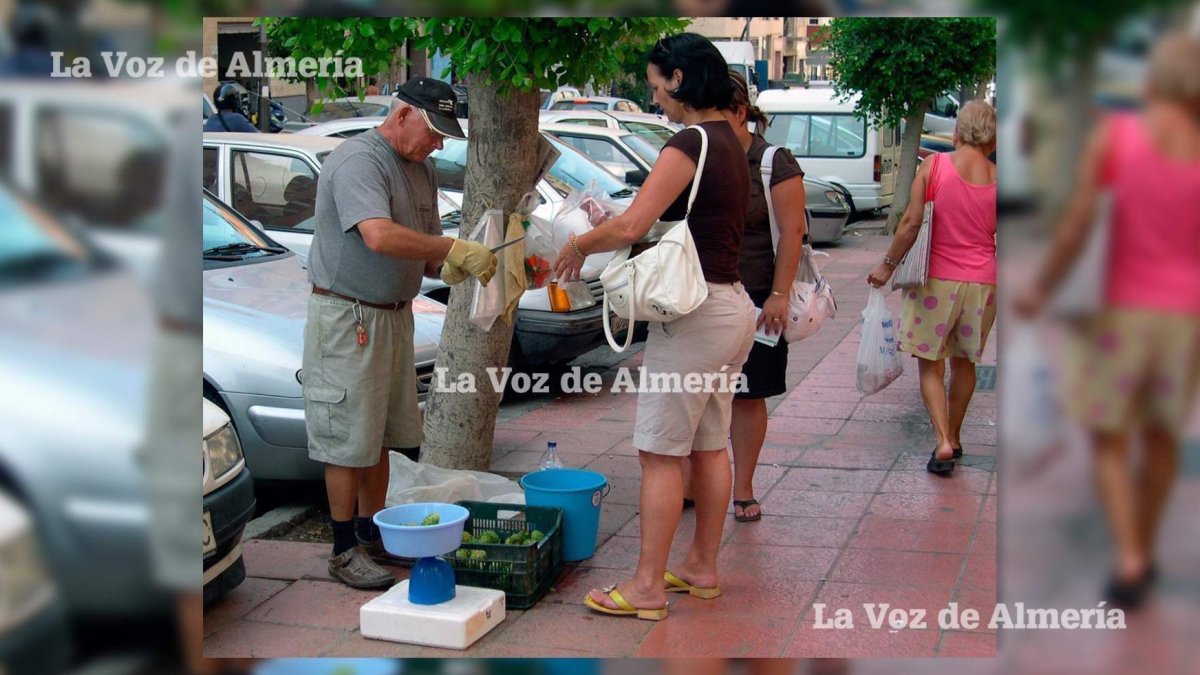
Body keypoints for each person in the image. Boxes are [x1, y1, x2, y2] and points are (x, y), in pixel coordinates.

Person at [551, 32, 755, 620]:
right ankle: (701, 567)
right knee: (710, 447)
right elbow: (667, 221)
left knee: (660, 455)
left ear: (680, 79)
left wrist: (580, 241)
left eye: (656, 86)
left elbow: (633, 224)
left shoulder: (690, 139)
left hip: (695, 319)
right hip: (729, 308)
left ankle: (645, 588)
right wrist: (614, 219)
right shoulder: (729, 141)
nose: (655, 98)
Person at [1014, 32, 1200, 608]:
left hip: (1120, 313)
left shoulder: (1118, 136)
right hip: (1187, 320)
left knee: (1110, 436)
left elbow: (1077, 225)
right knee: (1164, 433)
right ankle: (1144, 540)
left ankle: (1130, 555)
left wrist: (1042, 288)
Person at [305, 76, 497, 589]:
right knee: (348, 438)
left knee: (386, 435)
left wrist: (446, 265)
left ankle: (373, 535)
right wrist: (452, 250)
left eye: (444, 136)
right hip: (348, 317)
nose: (437, 143)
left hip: (393, 314)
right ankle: (343, 549)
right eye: (433, 131)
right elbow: (379, 234)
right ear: (403, 114)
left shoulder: (423, 170)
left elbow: (426, 245)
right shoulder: (358, 161)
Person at [866, 100, 997, 476]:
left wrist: (887, 265)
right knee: (965, 362)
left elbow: (910, 222)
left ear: (959, 131)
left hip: (936, 280)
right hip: (984, 283)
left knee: (931, 365)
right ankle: (955, 437)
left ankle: (940, 440)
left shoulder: (935, 166)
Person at [717, 71, 807, 522]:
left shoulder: (773, 162)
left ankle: (743, 487)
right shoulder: (702, 156)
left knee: (749, 395)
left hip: (757, 294)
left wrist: (779, 293)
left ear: (741, 113)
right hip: (707, 293)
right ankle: (702, 483)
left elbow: (793, 232)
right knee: (704, 393)